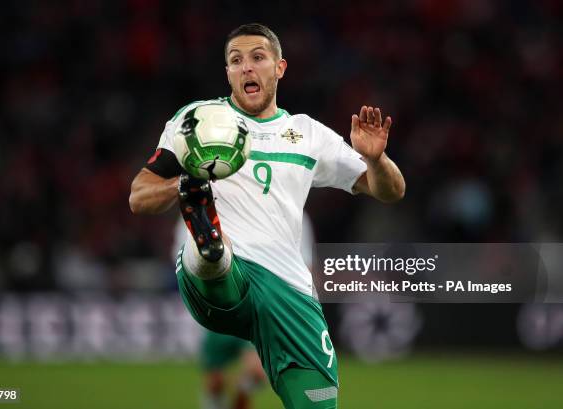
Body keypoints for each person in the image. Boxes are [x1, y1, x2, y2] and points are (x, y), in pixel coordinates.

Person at [130, 23, 405, 409]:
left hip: (287, 290)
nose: (246, 68)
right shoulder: (198, 121)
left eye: (258, 58)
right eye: (236, 61)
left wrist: (377, 159)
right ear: (227, 72)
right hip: (232, 275)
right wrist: (179, 187)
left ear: (279, 67)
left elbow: (391, 190)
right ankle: (210, 248)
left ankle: (209, 246)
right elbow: (139, 196)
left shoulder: (307, 133)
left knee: (319, 401)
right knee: (213, 257)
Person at [172, 214, 316, 409]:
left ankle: (242, 390)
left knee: (257, 371)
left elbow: (303, 262)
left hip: (254, 302)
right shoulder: (198, 208)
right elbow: (183, 258)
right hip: (213, 306)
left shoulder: (287, 210)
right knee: (215, 383)